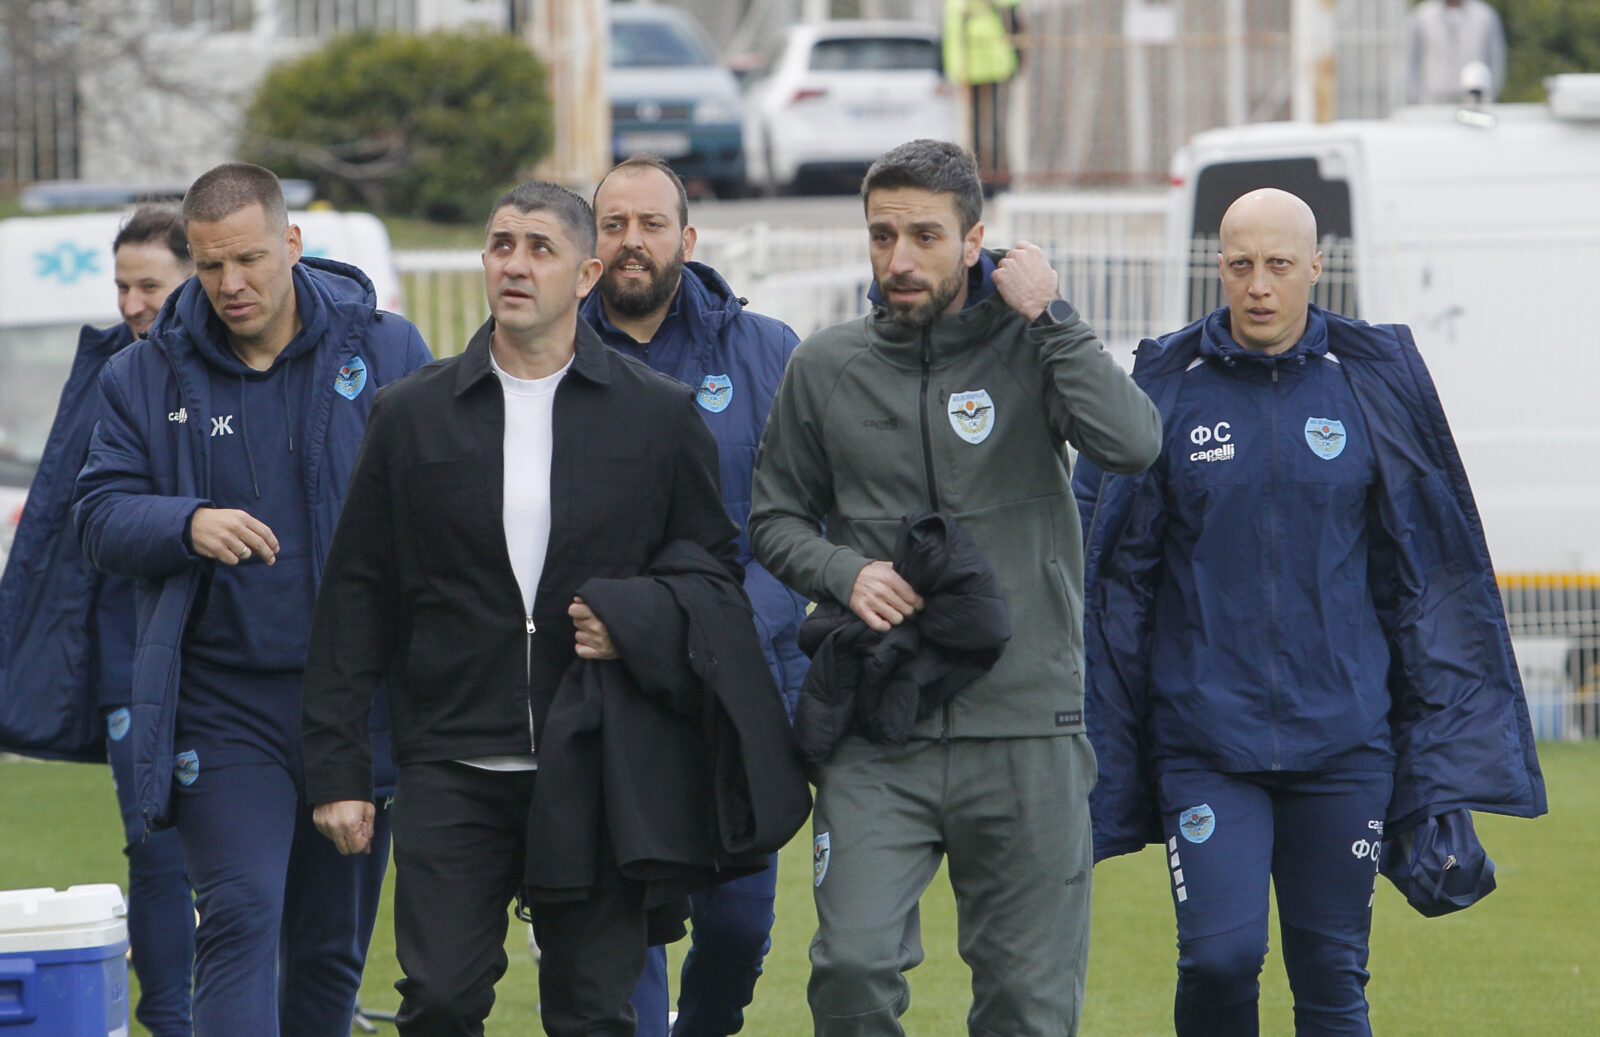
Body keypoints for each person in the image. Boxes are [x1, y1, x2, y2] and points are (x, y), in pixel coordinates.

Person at [299, 181, 806, 1037]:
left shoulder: (658, 415)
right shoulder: (410, 415)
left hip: (599, 762)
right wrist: (341, 769)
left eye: (540, 248)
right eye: (501, 244)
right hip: (452, 763)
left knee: (593, 1012)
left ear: (587, 273)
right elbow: (356, 595)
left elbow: (712, 578)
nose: (516, 264)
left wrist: (636, 620)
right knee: (441, 1002)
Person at [1077, 187, 1546, 1035]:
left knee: (1332, 979)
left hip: (1345, 742)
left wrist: (1431, 735)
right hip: (1205, 742)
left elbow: (1422, 580)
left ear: (1316, 268)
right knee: (1219, 959)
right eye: (1240, 265)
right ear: (1219, 268)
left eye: (1279, 265)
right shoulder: (1167, 394)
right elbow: (1116, 582)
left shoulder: (1366, 393)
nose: (1259, 285)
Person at [748, 138, 1163, 1036]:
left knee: (1025, 1001)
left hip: (1025, 726)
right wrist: (844, 571)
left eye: (925, 236)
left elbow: (1133, 444)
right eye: (882, 235)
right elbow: (773, 520)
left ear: (975, 240)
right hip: (875, 723)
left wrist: (1052, 315)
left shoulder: (1032, 344)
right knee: (852, 970)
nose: (899, 259)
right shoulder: (825, 365)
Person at [71, 163, 432, 1037]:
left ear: (293, 245)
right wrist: (184, 522)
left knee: (330, 949)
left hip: (353, 701)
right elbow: (99, 518)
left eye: (250, 261)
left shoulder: (386, 351)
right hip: (221, 704)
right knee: (238, 916)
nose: (231, 284)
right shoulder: (141, 376)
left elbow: (450, 502)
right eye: (209, 265)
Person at [578, 154, 808, 1037]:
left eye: (651, 225)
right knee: (624, 926)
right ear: (591, 243)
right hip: (606, 687)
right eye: (613, 225)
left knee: (741, 925)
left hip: (742, 690)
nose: (632, 243)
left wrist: (716, 639)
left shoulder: (766, 353)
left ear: (688, 237)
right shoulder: (554, 351)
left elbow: (798, 522)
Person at [0, 205, 197, 1036]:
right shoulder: (114, 372)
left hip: (229, 658)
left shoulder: (239, 376)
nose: (130, 302)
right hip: (129, 656)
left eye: (149, 284)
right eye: (122, 284)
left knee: (245, 865)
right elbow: (71, 526)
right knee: (153, 849)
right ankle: (174, 1021)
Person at [943, 0, 1023, 189]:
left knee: (996, 127)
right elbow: (950, 37)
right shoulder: (956, 5)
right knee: (976, 128)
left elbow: (1014, 18)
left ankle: (998, 177)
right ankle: (981, 177)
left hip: (997, 67)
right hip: (969, 70)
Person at [1406, 0, 1506, 104]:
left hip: (1474, 97)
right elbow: (1411, 58)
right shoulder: (1423, 15)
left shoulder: (1485, 15)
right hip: (1433, 98)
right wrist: (1416, 95)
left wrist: (1491, 93)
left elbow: (1496, 58)